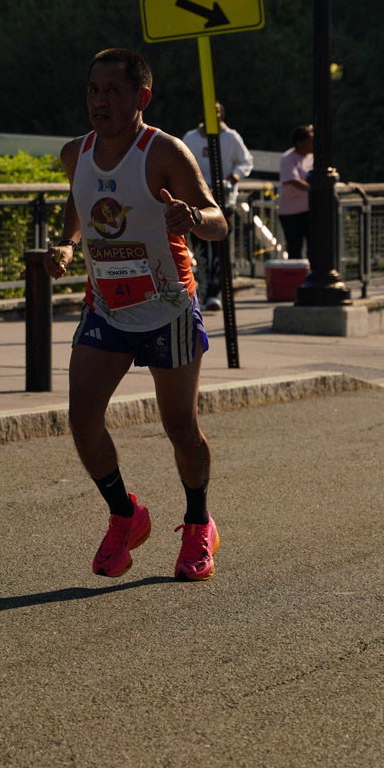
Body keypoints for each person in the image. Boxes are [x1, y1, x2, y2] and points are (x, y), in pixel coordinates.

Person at [44, 47, 229, 582]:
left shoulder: (162, 152)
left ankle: (199, 523)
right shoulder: (75, 153)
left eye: (114, 91)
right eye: (93, 90)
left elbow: (218, 221)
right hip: (106, 308)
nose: (100, 101)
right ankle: (125, 515)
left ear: (142, 97)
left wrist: (192, 218)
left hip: (168, 308)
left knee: (180, 428)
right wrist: (66, 243)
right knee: (82, 421)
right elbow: (80, 201)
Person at [182, 103, 253, 311]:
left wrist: (234, 177)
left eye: (218, 112)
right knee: (201, 250)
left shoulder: (231, 137)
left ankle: (217, 293)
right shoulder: (191, 138)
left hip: (223, 201)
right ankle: (203, 291)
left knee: (220, 248)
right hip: (198, 200)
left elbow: (246, 161)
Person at [278, 124, 314, 259]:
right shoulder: (288, 158)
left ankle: (313, 271)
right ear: (299, 143)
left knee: (314, 247)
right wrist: (316, 190)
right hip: (290, 212)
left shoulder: (314, 157)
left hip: (309, 210)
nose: (313, 144)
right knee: (294, 248)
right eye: (310, 141)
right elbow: (294, 180)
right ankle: (294, 273)